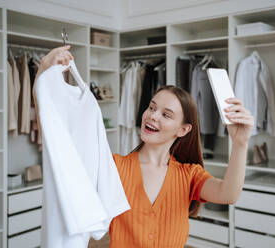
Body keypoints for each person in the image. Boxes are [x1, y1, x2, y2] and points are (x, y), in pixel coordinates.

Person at [33, 46, 254, 248]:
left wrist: (240, 143)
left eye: (166, 115)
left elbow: (229, 194)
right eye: (151, 107)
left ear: (183, 130)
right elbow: (58, 147)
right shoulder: (115, 167)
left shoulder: (189, 175)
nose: (152, 116)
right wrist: (42, 77)